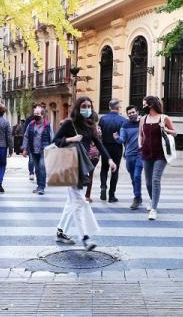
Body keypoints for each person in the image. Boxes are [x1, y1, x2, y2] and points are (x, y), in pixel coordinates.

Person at [52, 96, 116, 250]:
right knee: (79, 202)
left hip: (81, 166)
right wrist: (71, 139)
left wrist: (109, 160)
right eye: (84, 106)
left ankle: (61, 232)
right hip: (69, 164)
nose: (87, 109)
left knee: (72, 202)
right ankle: (85, 238)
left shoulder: (89, 125)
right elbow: (56, 140)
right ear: (78, 107)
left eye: (89, 106)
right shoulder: (69, 123)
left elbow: (99, 144)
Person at [139, 96, 177, 221]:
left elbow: (174, 133)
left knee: (155, 180)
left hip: (160, 154)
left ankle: (154, 209)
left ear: (150, 105)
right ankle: (152, 200)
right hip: (146, 153)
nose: (143, 106)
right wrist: (140, 145)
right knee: (149, 182)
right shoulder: (143, 119)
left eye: (144, 104)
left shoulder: (164, 118)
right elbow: (140, 134)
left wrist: (164, 128)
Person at [115, 105, 143, 209]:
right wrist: (117, 138)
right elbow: (122, 139)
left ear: (137, 112)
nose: (131, 114)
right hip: (129, 155)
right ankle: (138, 196)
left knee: (137, 176)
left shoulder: (142, 123)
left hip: (140, 154)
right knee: (133, 178)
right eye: (129, 113)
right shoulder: (125, 125)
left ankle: (136, 198)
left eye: (133, 112)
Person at [98, 98, 126, 202]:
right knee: (115, 170)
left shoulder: (103, 119)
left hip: (105, 146)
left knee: (104, 168)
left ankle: (103, 187)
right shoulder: (123, 120)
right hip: (117, 147)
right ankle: (111, 195)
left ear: (109, 107)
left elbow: (99, 134)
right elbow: (124, 136)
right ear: (118, 108)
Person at [21, 106, 52, 195]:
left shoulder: (48, 125)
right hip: (33, 150)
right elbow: (26, 136)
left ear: (42, 115)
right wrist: (24, 149)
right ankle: (39, 185)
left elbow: (52, 137)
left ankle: (41, 187)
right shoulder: (31, 124)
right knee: (37, 169)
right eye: (34, 114)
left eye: (37, 114)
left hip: (44, 150)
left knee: (42, 167)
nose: (35, 115)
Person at [81, 110, 102, 202]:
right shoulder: (98, 128)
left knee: (81, 174)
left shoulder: (84, 127)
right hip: (95, 155)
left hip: (85, 153)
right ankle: (87, 196)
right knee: (91, 175)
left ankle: (80, 194)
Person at [23, 104, 39, 181]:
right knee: (32, 159)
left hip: (40, 144)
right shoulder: (29, 119)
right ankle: (31, 173)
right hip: (31, 143)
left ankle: (38, 172)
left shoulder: (44, 120)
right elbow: (25, 133)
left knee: (39, 160)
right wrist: (24, 147)